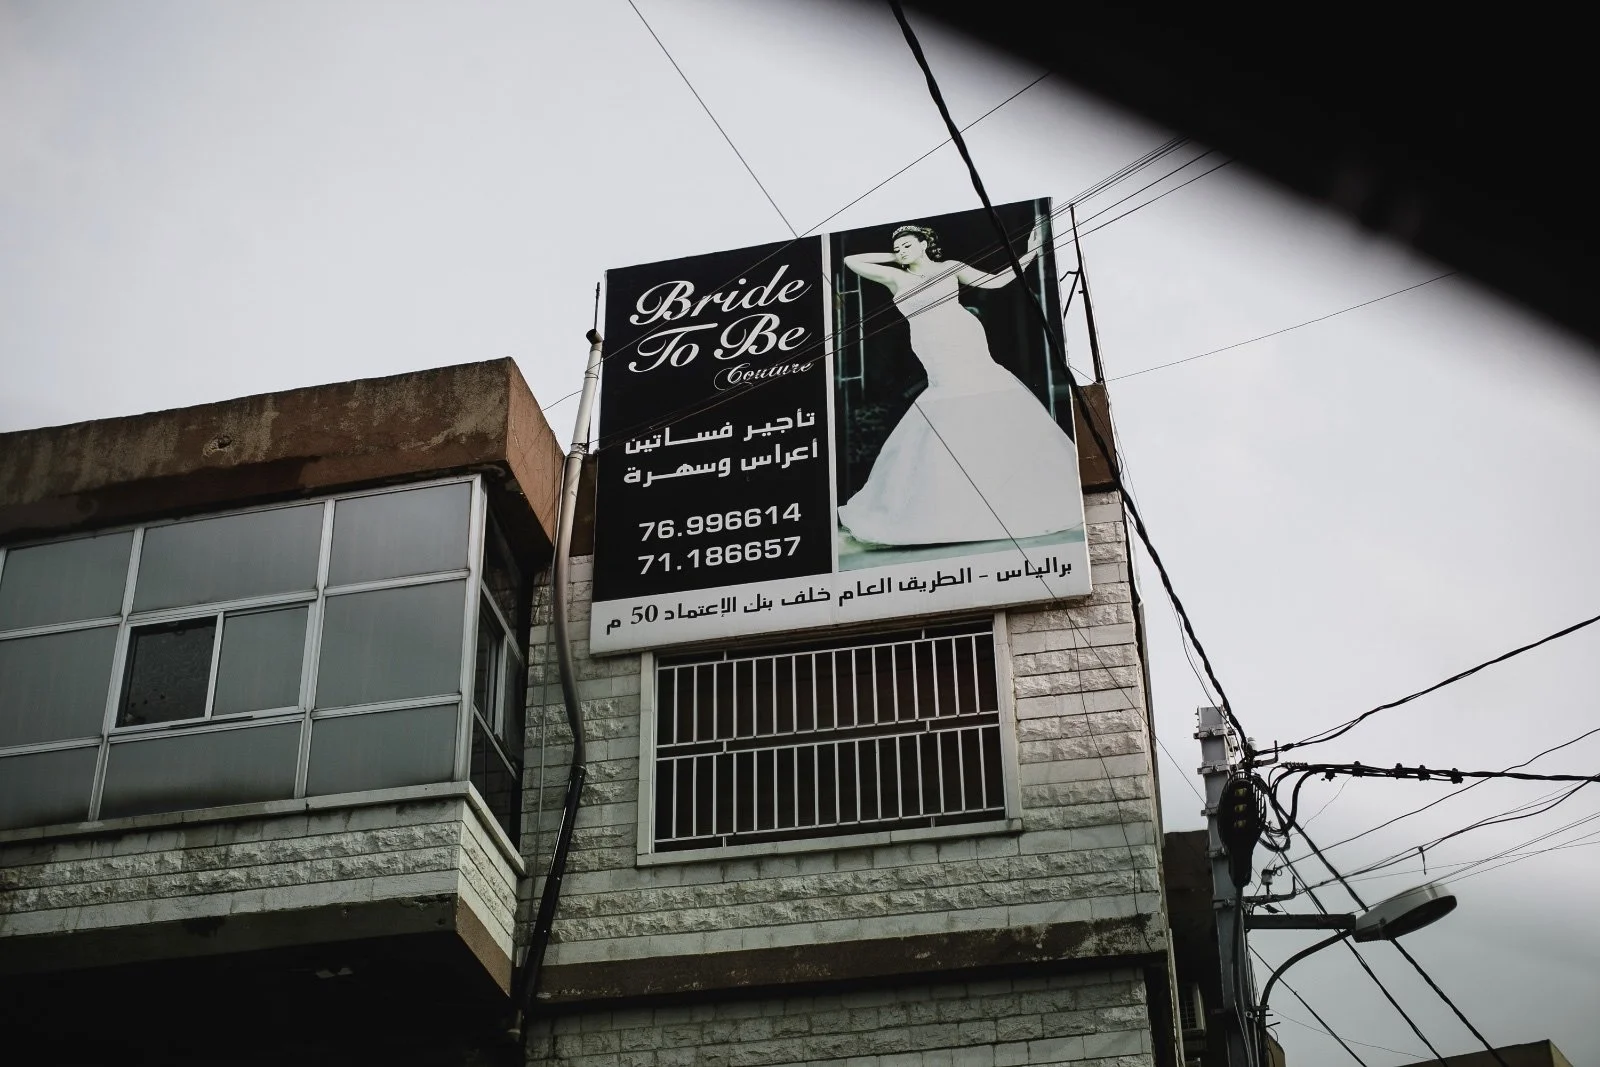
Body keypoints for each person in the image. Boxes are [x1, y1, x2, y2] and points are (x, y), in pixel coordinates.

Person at [837, 222, 1085, 547]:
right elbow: (851, 262)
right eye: (898, 247)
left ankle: (1006, 495)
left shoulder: (949, 267)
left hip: (964, 335)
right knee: (948, 402)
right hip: (931, 344)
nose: (901, 250)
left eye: (908, 245)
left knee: (982, 400)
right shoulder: (896, 277)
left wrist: (1032, 252)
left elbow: (995, 282)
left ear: (925, 244)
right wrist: (894, 254)